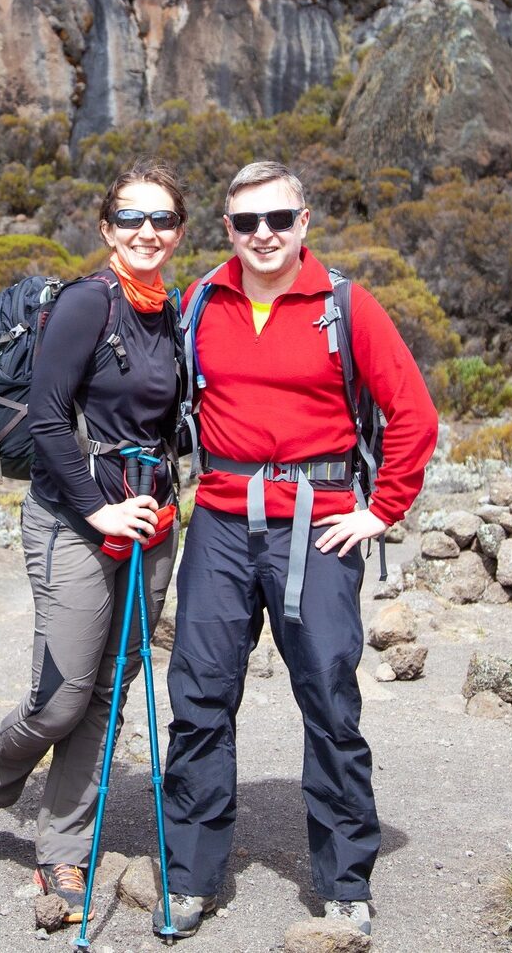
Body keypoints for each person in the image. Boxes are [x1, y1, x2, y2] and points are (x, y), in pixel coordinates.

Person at [154, 160, 438, 941]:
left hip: (318, 522)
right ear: (227, 230)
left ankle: (344, 881)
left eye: (278, 219)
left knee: (328, 698)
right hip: (217, 518)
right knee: (200, 698)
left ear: (303, 221)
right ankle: (190, 877)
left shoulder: (345, 305)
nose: (263, 236)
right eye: (246, 223)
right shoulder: (200, 303)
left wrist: (379, 510)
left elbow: (412, 411)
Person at [0, 158, 188, 923]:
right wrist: (98, 511)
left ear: (178, 231)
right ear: (105, 229)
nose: (146, 232)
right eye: (131, 220)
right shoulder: (89, 303)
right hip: (72, 521)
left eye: (161, 220)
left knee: (107, 698)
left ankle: (63, 854)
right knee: (58, 701)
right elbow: (49, 422)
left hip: (151, 526)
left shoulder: (173, 311)